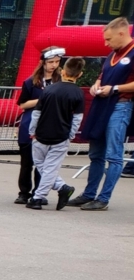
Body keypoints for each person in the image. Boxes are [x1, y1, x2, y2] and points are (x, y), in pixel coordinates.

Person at [69, 16, 134, 211]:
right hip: (102, 104)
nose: (106, 44)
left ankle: (103, 198)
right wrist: (97, 84)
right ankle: (89, 194)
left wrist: (113, 89)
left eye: (109, 39)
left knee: (113, 155)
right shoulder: (112, 55)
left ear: (122, 33)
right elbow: (103, 75)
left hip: (121, 105)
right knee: (96, 153)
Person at [25, 56, 85, 210]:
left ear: (63, 71)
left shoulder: (49, 90)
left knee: (40, 164)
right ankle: (59, 188)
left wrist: (32, 130)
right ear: (80, 74)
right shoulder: (78, 94)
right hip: (61, 136)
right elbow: (77, 118)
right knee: (50, 167)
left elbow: (37, 113)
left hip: (41, 133)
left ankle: (39, 197)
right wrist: (71, 135)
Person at [14, 48, 64, 204]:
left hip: (50, 124)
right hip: (30, 123)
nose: (54, 65)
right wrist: (43, 99)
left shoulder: (61, 81)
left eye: (57, 62)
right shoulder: (30, 82)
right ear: (43, 62)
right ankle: (24, 192)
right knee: (27, 162)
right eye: (50, 62)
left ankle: (39, 193)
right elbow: (22, 104)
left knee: (43, 163)